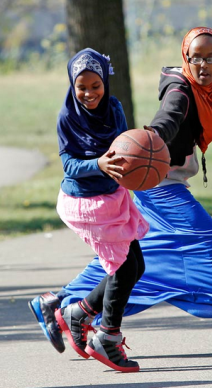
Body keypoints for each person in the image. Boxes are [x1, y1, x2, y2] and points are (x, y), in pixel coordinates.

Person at [29, 28, 212, 360]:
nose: (203, 65)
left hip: (166, 183)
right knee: (210, 242)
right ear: (186, 57)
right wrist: (151, 139)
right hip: (157, 184)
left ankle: (67, 304)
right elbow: (166, 121)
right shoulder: (179, 91)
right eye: (196, 57)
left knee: (142, 262)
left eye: (211, 57)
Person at [29, 48, 150, 373]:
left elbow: (126, 145)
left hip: (114, 197)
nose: (88, 93)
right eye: (81, 87)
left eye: (95, 85)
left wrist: (143, 157)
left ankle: (78, 313)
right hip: (87, 204)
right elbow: (69, 164)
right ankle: (107, 338)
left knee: (136, 265)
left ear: (104, 83)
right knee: (123, 268)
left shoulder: (114, 108)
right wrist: (98, 163)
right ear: (72, 85)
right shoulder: (67, 116)